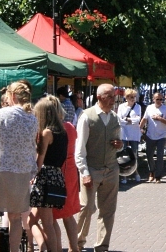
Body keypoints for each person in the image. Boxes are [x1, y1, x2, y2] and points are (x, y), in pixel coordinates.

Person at [0, 81, 38, 252]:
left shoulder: (0, 115)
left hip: (0, 170)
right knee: (16, 217)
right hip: (22, 173)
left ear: (12, 96)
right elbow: (31, 147)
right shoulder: (32, 118)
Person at [76, 84, 123, 252]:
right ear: (100, 97)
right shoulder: (87, 117)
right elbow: (79, 148)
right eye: (110, 97)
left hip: (111, 169)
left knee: (108, 210)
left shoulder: (115, 117)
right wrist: (84, 172)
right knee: (86, 208)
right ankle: (78, 242)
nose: (113, 100)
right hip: (92, 169)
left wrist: (119, 144)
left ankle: (102, 246)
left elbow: (119, 141)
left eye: (114, 97)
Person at [29, 96, 68, 252]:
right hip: (57, 176)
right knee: (41, 219)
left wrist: (30, 175)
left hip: (46, 177)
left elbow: (39, 161)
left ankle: (52, 250)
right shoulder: (63, 132)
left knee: (47, 222)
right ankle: (44, 247)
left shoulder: (47, 133)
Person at [52, 116, 80, 252]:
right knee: (68, 214)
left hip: (56, 169)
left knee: (50, 215)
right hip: (70, 169)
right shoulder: (70, 126)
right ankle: (74, 247)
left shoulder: (48, 130)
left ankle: (57, 248)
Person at [139, 92, 166, 184]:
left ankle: (158, 176)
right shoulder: (149, 108)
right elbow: (144, 119)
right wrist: (139, 129)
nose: (160, 101)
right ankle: (151, 172)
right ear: (153, 99)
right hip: (150, 135)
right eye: (158, 99)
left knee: (160, 156)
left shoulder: (165, 109)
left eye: (161, 99)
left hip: (161, 135)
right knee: (149, 155)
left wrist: (159, 118)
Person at [117, 89, 142, 183]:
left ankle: (136, 172)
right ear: (126, 97)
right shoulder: (121, 106)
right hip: (123, 133)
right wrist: (130, 121)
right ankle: (124, 175)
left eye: (134, 97)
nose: (133, 99)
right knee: (123, 154)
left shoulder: (138, 107)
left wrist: (127, 119)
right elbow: (120, 120)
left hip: (134, 134)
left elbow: (138, 119)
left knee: (134, 154)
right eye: (131, 97)